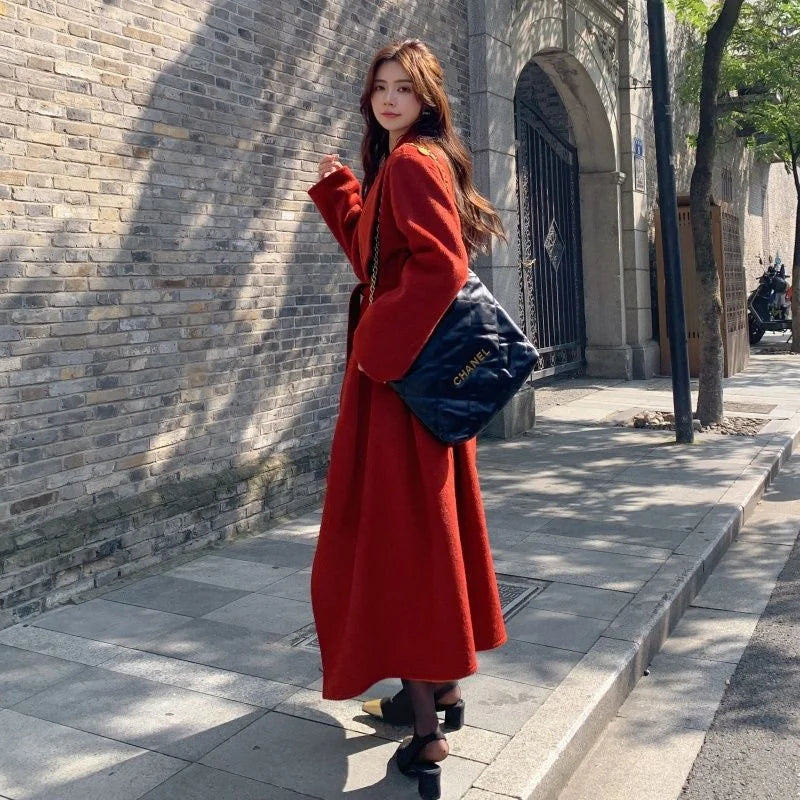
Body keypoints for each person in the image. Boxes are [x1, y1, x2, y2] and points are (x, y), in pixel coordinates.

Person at [307, 39, 507, 800]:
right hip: (403, 384)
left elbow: (440, 267)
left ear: (427, 99)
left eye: (404, 89)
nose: (389, 99)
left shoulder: (415, 162)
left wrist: (377, 349)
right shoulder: (401, 163)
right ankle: (438, 690)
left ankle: (426, 736)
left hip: (398, 386)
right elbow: (383, 262)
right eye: (380, 87)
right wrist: (344, 196)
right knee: (419, 531)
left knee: (400, 541)